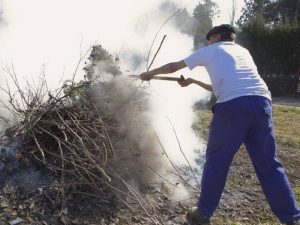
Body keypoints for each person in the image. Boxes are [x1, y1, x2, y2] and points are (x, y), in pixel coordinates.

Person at [139, 24, 300, 225]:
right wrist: (194, 82)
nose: (209, 43)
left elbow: (174, 67)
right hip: (261, 104)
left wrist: (150, 73)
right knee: (269, 164)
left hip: (233, 108)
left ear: (215, 37)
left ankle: (203, 213)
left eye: (210, 39)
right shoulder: (243, 52)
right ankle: (291, 218)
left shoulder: (211, 50)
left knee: (217, 162)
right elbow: (224, 85)